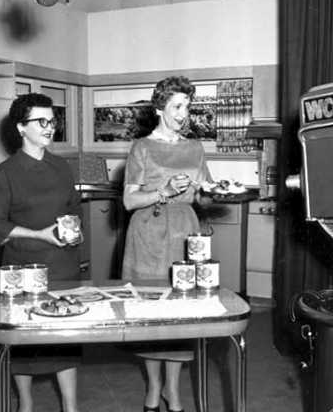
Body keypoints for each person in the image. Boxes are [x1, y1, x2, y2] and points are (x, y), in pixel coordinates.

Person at [0, 93, 82, 412]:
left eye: (52, 120)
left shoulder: (62, 167)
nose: (50, 127)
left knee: (65, 341)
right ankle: (25, 404)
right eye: (41, 121)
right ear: (21, 128)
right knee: (26, 344)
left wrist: (73, 230)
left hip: (63, 267)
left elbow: (73, 208)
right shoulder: (6, 172)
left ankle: (70, 406)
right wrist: (40, 234)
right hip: (24, 270)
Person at [122, 76, 212, 412]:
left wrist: (210, 192)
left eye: (187, 106)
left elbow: (204, 193)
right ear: (160, 108)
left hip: (185, 232)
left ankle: (172, 390)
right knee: (151, 310)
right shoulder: (141, 148)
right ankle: (153, 386)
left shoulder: (194, 147)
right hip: (148, 231)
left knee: (181, 310)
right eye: (177, 106)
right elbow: (129, 201)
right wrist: (165, 191)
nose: (183, 113)